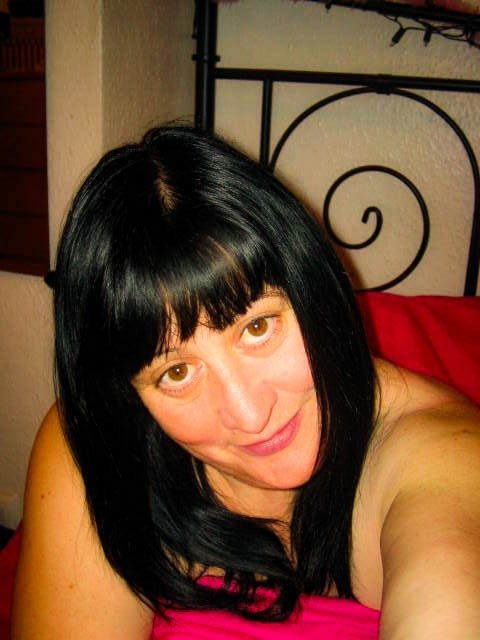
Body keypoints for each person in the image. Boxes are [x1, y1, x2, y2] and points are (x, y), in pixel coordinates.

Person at [11, 126, 480, 639]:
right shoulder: (98, 440)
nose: (251, 414)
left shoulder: (439, 455)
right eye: (176, 373)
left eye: (258, 328)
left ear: (315, 290)